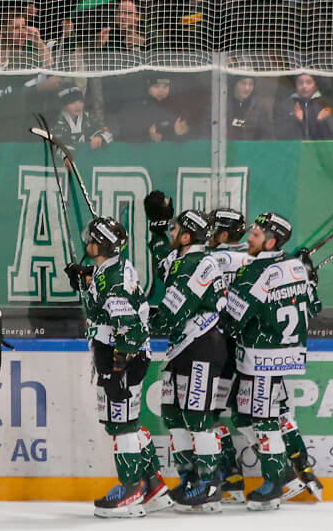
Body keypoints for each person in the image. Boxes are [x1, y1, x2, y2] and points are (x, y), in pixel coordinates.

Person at [68, 216, 170, 518]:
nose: (86, 242)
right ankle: (153, 486)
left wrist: (118, 365)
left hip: (121, 357)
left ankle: (131, 489)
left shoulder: (114, 281)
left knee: (122, 425)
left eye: (91, 239)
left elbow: (129, 327)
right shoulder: (111, 270)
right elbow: (103, 302)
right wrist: (85, 279)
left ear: (100, 245)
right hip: (118, 354)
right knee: (125, 423)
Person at [221, 213, 323, 509]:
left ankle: (276, 482)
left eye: (255, 235)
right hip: (280, 356)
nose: (249, 238)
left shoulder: (254, 272)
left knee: (263, 420)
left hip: (262, 359)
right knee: (243, 416)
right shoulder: (294, 266)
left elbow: (232, 319)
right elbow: (315, 306)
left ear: (271, 241)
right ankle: (288, 472)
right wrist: (309, 276)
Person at [148, 208, 229, 510]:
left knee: (197, 417)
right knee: (172, 414)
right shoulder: (185, 259)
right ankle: (190, 480)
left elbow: (172, 312)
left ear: (186, 237)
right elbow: (163, 264)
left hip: (201, 345)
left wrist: (137, 324)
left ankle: (210, 484)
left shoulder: (197, 265)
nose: (172, 233)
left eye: (175, 229)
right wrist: (156, 231)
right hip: (183, 347)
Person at [203, 206, 251, 503]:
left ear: (222, 234)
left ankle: (230, 477)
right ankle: (284, 472)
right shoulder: (255, 258)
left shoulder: (210, 260)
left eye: (211, 229)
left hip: (219, 348)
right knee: (248, 414)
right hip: (246, 350)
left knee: (207, 414)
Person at [53, 85, 112, 150]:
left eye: (80, 102)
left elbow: (105, 130)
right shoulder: (55, 121)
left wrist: (99, 137)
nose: (77, 106)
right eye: (72, 103)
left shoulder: (88, 117)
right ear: (64, 106)